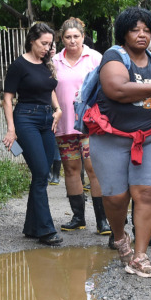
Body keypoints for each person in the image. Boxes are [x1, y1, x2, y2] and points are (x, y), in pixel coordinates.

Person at [86, 7, 151, 278]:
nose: (142, 35)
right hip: (110, 138)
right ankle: (119, 238)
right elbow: (116, 90)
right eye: (135, 30)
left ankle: (140, 256)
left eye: (147, 30)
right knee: (116, 198)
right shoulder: (114, 57)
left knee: (148, 194)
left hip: (149, 137)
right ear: (123, 33)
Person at [2, 22, 64, 246]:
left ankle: (31, 226)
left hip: (47, 120)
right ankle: (46, 230)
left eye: (50, 44)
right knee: (40, 172)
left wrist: (58, 110)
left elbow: (50, 89)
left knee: (43, 173)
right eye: (43, 43)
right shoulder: (19, 65)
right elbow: (8, 98)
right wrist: (11, 129)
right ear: (31, 41)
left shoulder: (46, 63)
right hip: (26, 119)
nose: (47, 48)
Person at [52, 17, 111, 236]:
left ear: (83, 37)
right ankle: (78, 218)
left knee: (93, 168)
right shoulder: (55, 61)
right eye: (68, 37)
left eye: (76, 36)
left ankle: (102, 220)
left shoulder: (95, 58)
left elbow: (107, 85)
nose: (72, 41)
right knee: (70, 170)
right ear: (62, 38)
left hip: (90, 124)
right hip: (65, 125)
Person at [48, 40, 63, 185]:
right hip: (46, 106)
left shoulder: (59, 62)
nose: (51, 49)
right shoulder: (43, 63)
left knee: (56, 142)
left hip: (59, 107)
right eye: (48, 46)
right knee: (49, 141)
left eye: (53, 47)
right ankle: (47, 172)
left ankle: (56, 174)